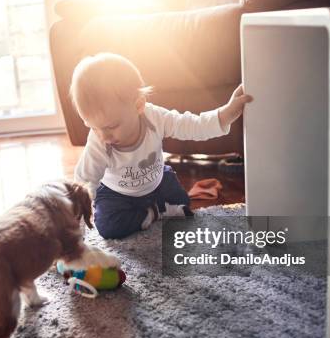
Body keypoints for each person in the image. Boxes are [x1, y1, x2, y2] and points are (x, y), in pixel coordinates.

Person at [72, 53, 253, 239]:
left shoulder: (155, 118)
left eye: (111, 126)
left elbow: (191, 125)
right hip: (117, 193)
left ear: (139, 106)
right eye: (93, 127)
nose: (103, 136)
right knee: (107, 226)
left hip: (157, 182)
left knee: (183, 202)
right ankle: (152, 212)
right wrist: (75, 229)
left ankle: (155, 207)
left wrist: (225, 114)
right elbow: (83, 182)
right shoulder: (98, 141)